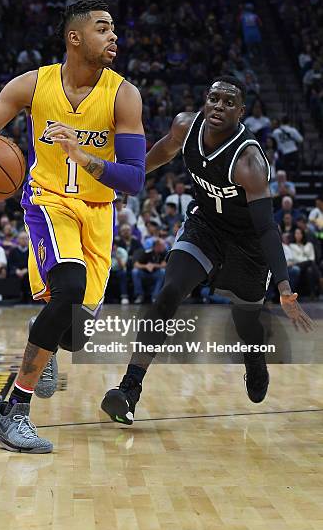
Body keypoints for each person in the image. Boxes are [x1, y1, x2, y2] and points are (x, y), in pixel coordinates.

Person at [0, 0, 145, 453]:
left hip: (98, 213)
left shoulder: (124, 95)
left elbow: (134, 178)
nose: (113, 36)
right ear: (74, 38)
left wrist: (86, 156)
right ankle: (11, 411)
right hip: (48, 201)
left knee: (76, 330)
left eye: (114, 28)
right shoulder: (33, 85)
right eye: (103, 28)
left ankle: (51, 344)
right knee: (69, 290)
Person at [101, 75, 313, 426]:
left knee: (246, 322)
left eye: (229, 102)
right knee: (168, 291)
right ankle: (129, 389)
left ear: (241, 112)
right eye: (214, 98)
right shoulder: (186, 127)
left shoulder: (249, 162)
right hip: (205, 229)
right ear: (205, 100)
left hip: (248, 245)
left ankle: (254, 357)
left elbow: (266, 227)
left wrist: (285, 286)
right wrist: (131, 179)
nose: (219, 106)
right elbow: (161, 152)